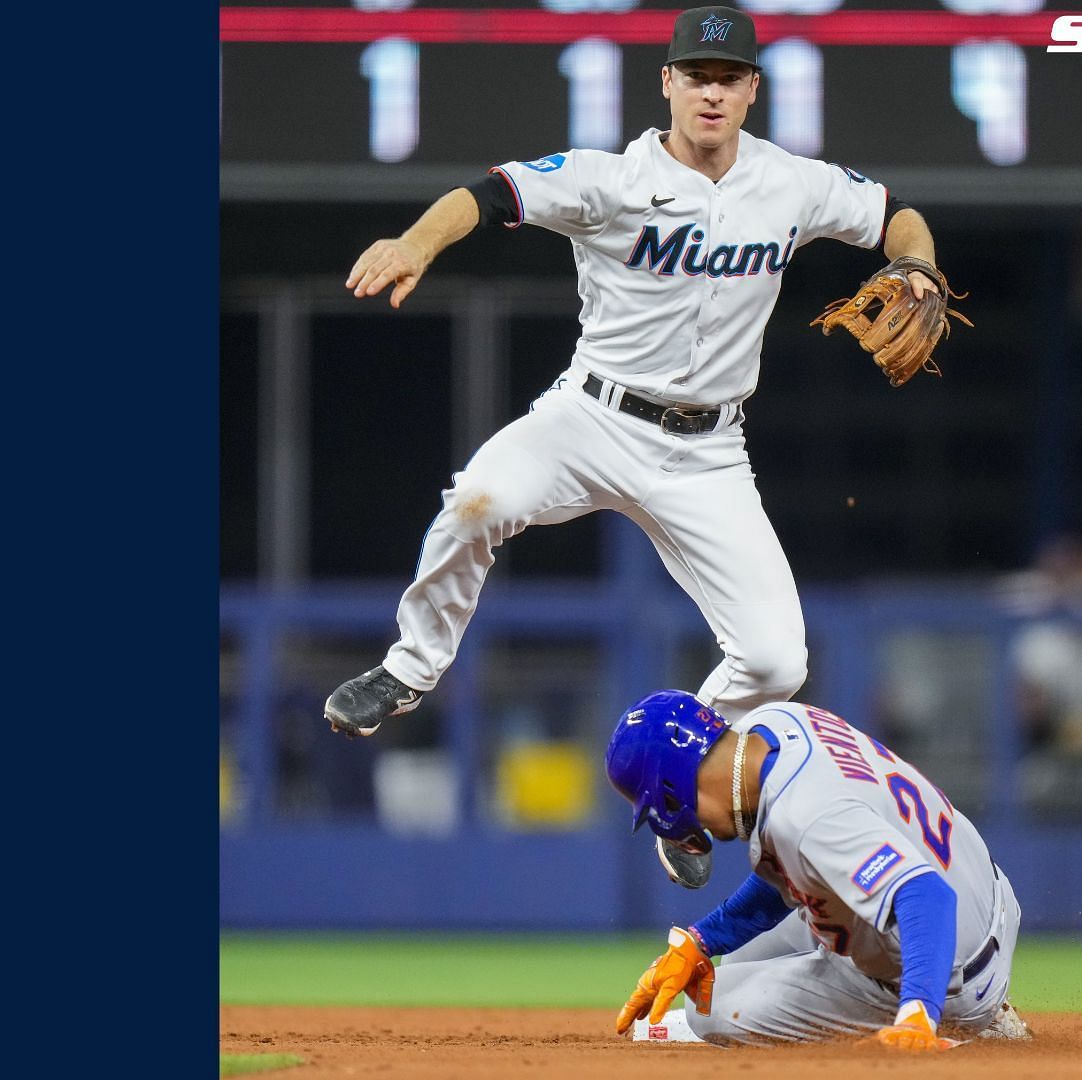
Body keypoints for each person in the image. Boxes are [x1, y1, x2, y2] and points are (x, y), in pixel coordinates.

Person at [321, 6, 952, 888]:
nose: (712, 92)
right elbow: (489, 193)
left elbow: (896, 215)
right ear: (667, 83)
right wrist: (415, 241)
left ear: (753, 91)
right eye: (696, 76)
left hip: (710, 452)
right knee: (478, 502)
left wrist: (917, 266)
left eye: (729, 79)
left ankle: (678, 782)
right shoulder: (607, 178)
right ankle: (407, 668)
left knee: (778, 658)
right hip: (590, 419)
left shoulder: (791, 183)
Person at [605, 690, 1029, 1048]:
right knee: (724, 967)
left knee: (708, 1012)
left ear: (671, 795)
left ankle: (963, 1024)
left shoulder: (804, 818)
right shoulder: (777, 722)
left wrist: (919, 1012)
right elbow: (798, 865)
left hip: (948, 964)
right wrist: (702, 940)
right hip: (982, 889)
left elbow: (926, 896)